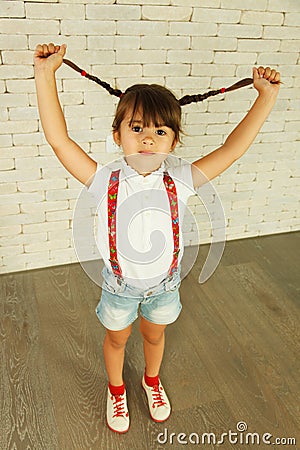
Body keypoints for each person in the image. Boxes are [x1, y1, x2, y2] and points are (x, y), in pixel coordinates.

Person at [34, 43, 280, 434]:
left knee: (155, 335)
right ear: (117, 135)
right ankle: (116, 388)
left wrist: (265, 99)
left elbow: (232, 150)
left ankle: (151, 381)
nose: (148, 140)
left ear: (173, 142)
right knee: (116, 340)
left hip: (164, 284)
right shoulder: (105, 181)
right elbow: (59, 140)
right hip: (119, 286)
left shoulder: (179, 181)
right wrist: (46, 75)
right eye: (137, 129)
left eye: (159, 132)